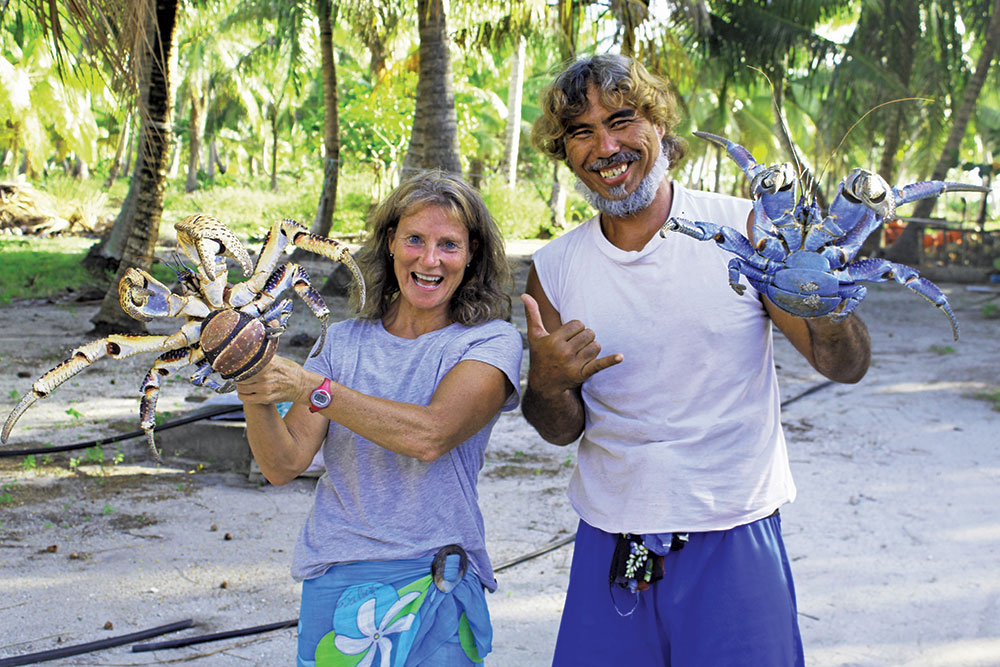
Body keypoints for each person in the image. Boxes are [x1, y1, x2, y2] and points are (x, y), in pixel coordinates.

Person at [522, 54, 872, 665]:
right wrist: (548, 382)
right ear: (565, 152)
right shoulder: (554, 270)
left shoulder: (748, 228)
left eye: (622, 119)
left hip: (735, 532)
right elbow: (559, 429)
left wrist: (825, 294)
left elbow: (842, 365)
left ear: (658, 125)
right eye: (581, 132)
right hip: (611, 535)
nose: (606, 145)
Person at [236, 170, 523, 667]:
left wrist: (311, 387)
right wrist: (252, 384)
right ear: (390, 242)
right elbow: (282, 465)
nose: (429, 259)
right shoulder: (342, 342)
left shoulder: (488, 343)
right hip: (338, 573)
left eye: (448, 244)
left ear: (472, 252)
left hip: (437, 574)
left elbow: (429, 435)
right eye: (414, 238)